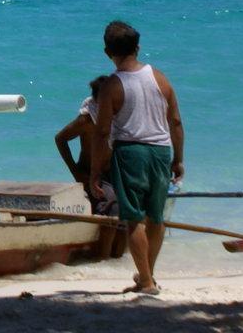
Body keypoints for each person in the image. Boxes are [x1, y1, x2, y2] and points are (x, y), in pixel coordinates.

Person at [89, 20, 184, 295]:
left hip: (131, 152)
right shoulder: (160, 78)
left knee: (134, 218)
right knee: (156, 217)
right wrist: (178, 158)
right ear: (138, 48)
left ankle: (147, 281)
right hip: (161, 150)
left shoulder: (112, 86)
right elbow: (175, 121)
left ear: (108, 52)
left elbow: (101, 132)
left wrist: (96, 171)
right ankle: (147, 276)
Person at [54, 74, 118, 216]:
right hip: (90, 175)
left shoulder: (117, 114)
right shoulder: (87, 119)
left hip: (112, 172)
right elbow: (60, 139)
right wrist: (75, 171)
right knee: (111, 209)